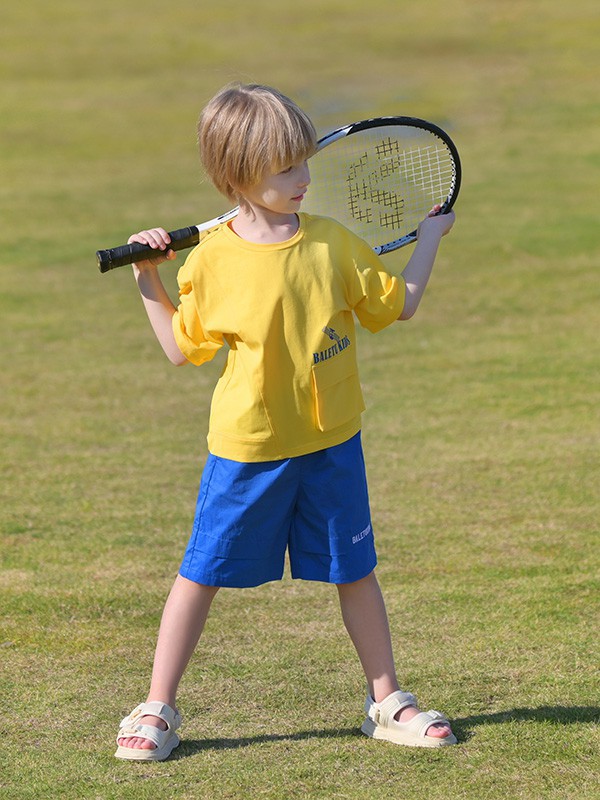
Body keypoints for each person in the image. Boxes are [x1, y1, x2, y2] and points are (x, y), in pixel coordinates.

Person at [114, 83, 457, 761]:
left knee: (355, 569)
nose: (305, 179)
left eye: (305, 163)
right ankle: (156, 707)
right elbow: (182, 348)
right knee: (201, 572)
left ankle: (387, 701)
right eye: (287, 169)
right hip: (247, 451)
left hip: (332, 445)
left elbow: (399, 306)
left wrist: (428, 239)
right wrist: (147, 278)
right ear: (237, 174)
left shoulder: (334, 244)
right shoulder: (210, 259)